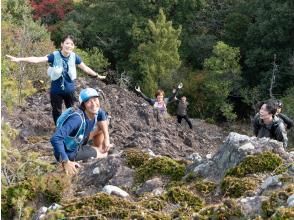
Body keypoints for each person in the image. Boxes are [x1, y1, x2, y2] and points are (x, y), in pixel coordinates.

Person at [6, 35, 106, 125]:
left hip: (69, 90)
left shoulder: (75, 57)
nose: (69, 46)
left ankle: (72, 128)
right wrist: (19, 59)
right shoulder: (54, 56)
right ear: (62, 44)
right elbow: (37, 59)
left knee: (72, 111)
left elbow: (85, 68)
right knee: (57, 111)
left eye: (71, 44)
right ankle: (59, 128)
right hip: (56, 91)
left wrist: (97, 76)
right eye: (67, 43)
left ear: (73, 46)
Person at [50, 88, 113, 175]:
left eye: (95, 100)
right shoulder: (77, 119)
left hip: (78, 139)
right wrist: (65, 161)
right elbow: (56, 138)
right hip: (69, 152)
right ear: (83, 105)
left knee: (103, 126)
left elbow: (102, 116)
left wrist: (107, 138)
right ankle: (97, 152)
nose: (94, 104)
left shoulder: (96, 111)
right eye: (89, 102)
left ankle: (97, 149)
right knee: (104, 154)